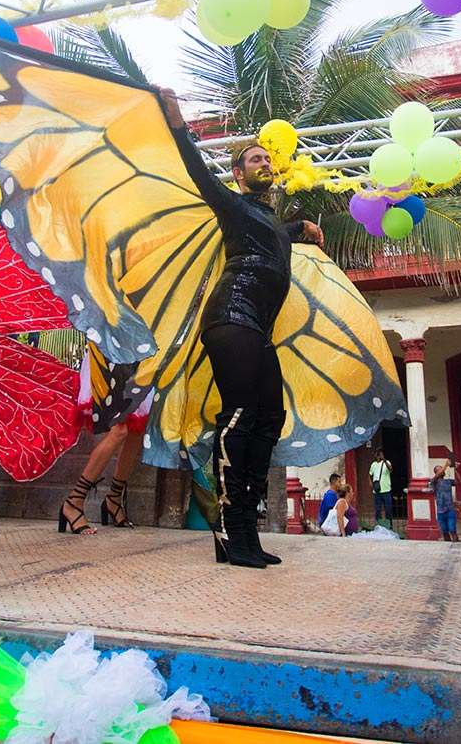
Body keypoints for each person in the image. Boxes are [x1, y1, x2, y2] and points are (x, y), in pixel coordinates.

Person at [159, 88, 323, 569]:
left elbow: (272, 240)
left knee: (269, 419)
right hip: (231, 316)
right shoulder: (232, 204)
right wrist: (178, 125)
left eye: (267, 158)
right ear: (238, 172)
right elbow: (198, 174)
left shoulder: (267, 217)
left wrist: (302, 229)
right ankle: (229, 530)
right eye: (253, 158)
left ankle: (246, 532)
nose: (263, 163)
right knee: (241, 415)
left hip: (257, 326)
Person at [58, 348, 153, 535]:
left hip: (139, 353)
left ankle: (114, 498)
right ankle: (73, 502)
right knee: (120, 430)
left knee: (137, 429)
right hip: (110, 351)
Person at [429, 460, 458, 542]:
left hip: (450, 509)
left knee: (452, 529)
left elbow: (459, 481)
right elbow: (437, 476)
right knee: (445, 532)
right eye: (439, 470)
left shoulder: (448, 481)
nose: (442, 471)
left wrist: (455, 470)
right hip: (440, 511)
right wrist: (445, 465)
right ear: (436, 473)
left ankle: (456, 543)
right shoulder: (433, 482)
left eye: (442, 469)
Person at [369, 449, 393, 527]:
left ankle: (389, 525)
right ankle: (378, 525)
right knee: (378, 509)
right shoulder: (373, 464)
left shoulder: (387, 462)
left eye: (380, 454)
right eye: (377, 454)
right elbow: (370, 474)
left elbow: (391, 469)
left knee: (388, 508)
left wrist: (384, 460)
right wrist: (370, 483)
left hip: (386, 489)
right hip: (377, 491)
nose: (378, 456)